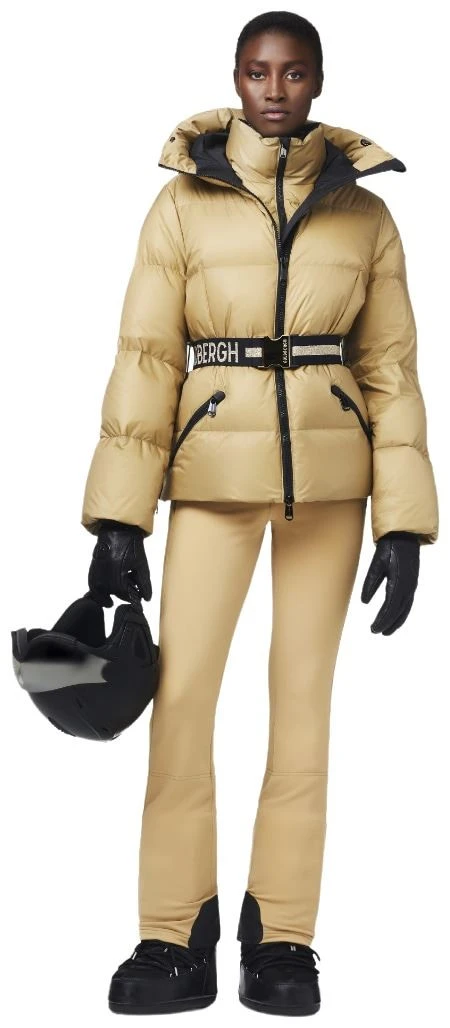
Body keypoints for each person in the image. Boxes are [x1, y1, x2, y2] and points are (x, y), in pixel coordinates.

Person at [81, 9, 439, 1018]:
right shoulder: (180, 206)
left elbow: (392, 369)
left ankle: (282, 937)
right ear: (235, 79)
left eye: (292, 72)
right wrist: (120, 518)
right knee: (182, 701)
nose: (273, 89)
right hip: (210, 480)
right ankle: (173, 934)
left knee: (303, 710)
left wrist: (404, 522)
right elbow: (146, 357)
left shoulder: (366, 215)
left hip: (332, 488)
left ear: (317, 80)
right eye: (256, 71)